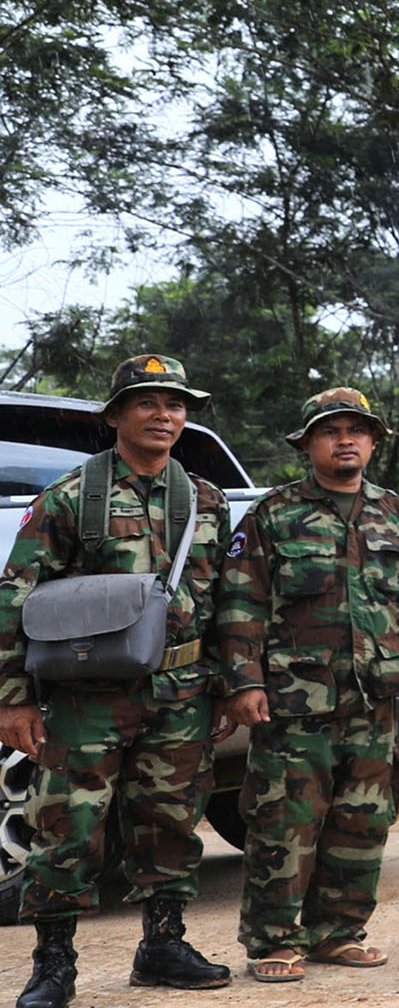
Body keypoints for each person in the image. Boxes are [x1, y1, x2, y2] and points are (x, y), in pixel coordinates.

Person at [0, 355, 237, 1006]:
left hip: (182, 695)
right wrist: (12, 698)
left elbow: (232, 602)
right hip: (89, 696)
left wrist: (229, 683)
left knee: (171, 824)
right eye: (147, 403)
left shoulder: (206, 501)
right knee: (67, 827)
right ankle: (53, 966)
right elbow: (15, 597)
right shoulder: (72, 497)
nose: (164, 414)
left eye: (176, 404)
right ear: (115, 417)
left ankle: (162, 945)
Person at [214, 388, 399, 979]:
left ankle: (337, 933)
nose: (345, 439)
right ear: (308, 444)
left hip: (374, 701)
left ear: (372, 442)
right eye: (330, 430)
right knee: (283, 823)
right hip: (294, 703)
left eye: (356, 430)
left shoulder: (392, 512)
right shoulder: (273, 514)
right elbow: (242, 603)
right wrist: (243, 681)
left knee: (362, 822)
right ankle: (273, 940)